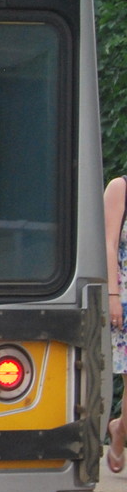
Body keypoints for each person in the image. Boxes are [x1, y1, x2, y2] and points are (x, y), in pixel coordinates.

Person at [108, 176, 127, 473]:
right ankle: (120, 429)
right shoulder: (120, 187)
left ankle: (120, 429)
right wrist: (112, 295)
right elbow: (108, 244)